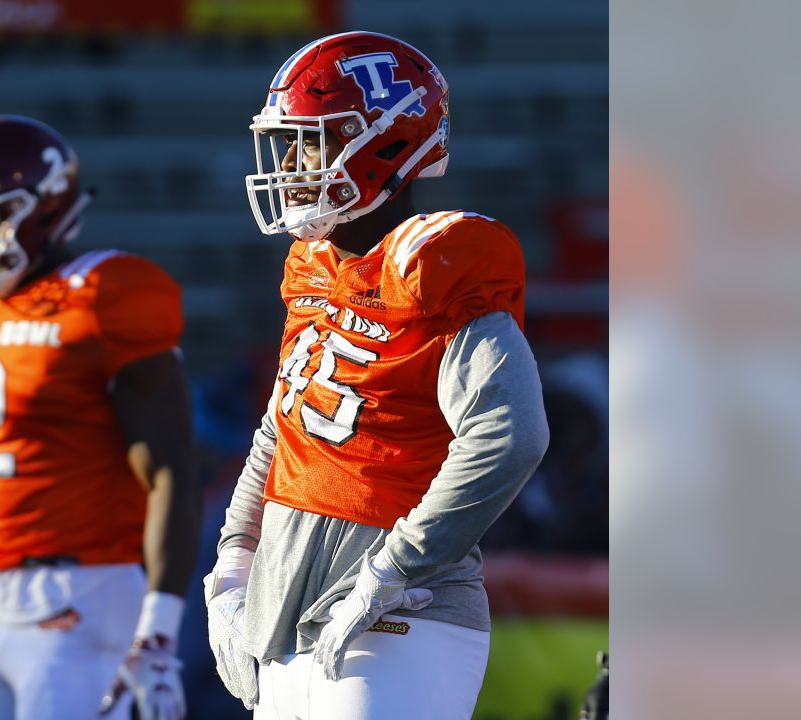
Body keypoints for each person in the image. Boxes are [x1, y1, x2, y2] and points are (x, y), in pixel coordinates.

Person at [205, 32, 550, 719]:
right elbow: (281, 429)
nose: (293, 165)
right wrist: (232, 564)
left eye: (313, 141)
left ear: (384, 145)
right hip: (286, 613)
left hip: (400, 614)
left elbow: (510, 436)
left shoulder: (438, 263)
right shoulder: (313, 265)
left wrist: (394, 568)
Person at [0, 114, 202, 720]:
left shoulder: (102, 295)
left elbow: (170, 472)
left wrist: (160, 630)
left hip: (80, 597)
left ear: (40, 213)